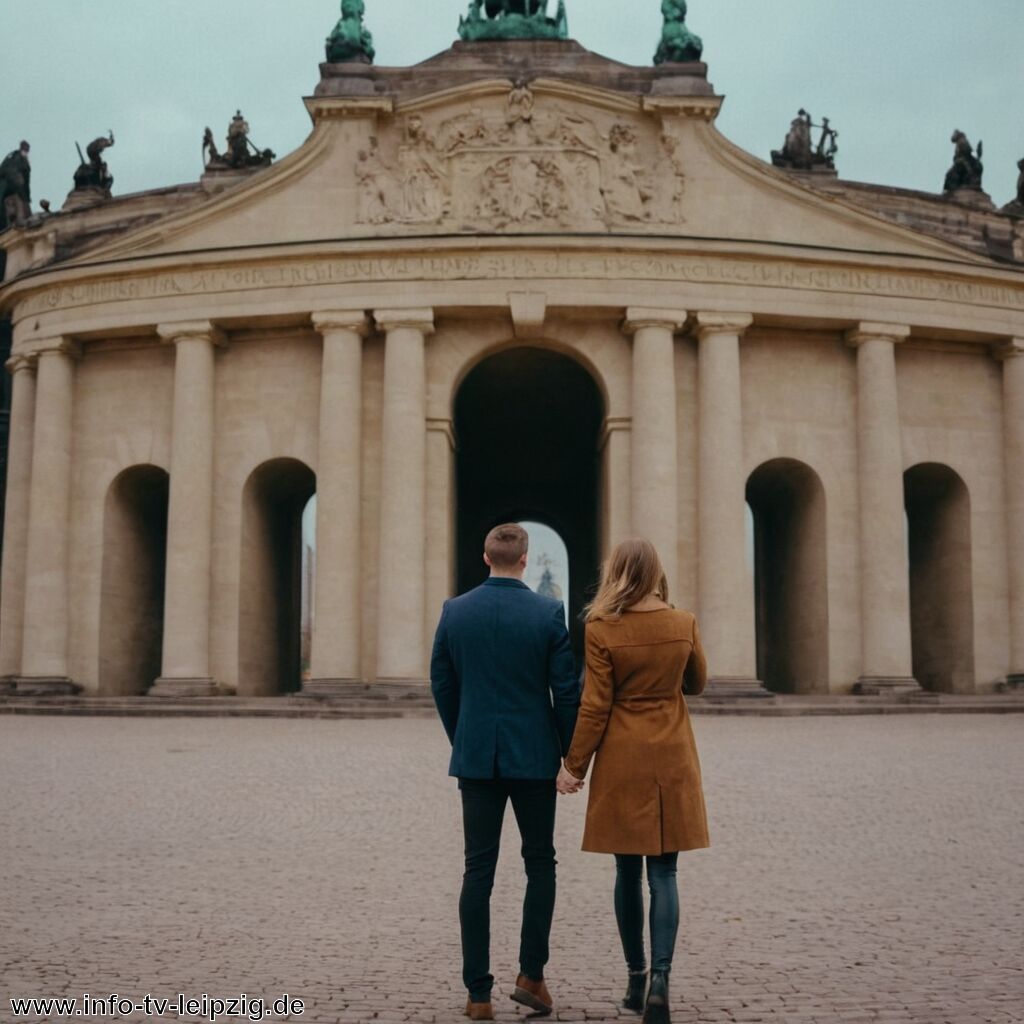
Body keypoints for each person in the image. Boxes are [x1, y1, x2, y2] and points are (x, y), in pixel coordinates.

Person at [430, 523, 579, 1021]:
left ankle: (478, 994)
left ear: (484, 556)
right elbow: (567, 691)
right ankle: (532, 975)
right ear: (525, 559)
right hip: (535, 758)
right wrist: (568, 755)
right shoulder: (546, 612)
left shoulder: (456, 611)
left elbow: (442, 683)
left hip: (477, 758)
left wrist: (465, 735)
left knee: (478, 871)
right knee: (540, 864)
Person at [556, 538, 709, 1024]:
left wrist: (573, 765)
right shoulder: (682, 622)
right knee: (665, 873)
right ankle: (663, 978)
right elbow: (698, 683)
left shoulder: (601, 627)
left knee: (626, 872)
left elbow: (596, 703)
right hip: (671, 754)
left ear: (616, 573)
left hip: (622, 757)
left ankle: (635, 979)